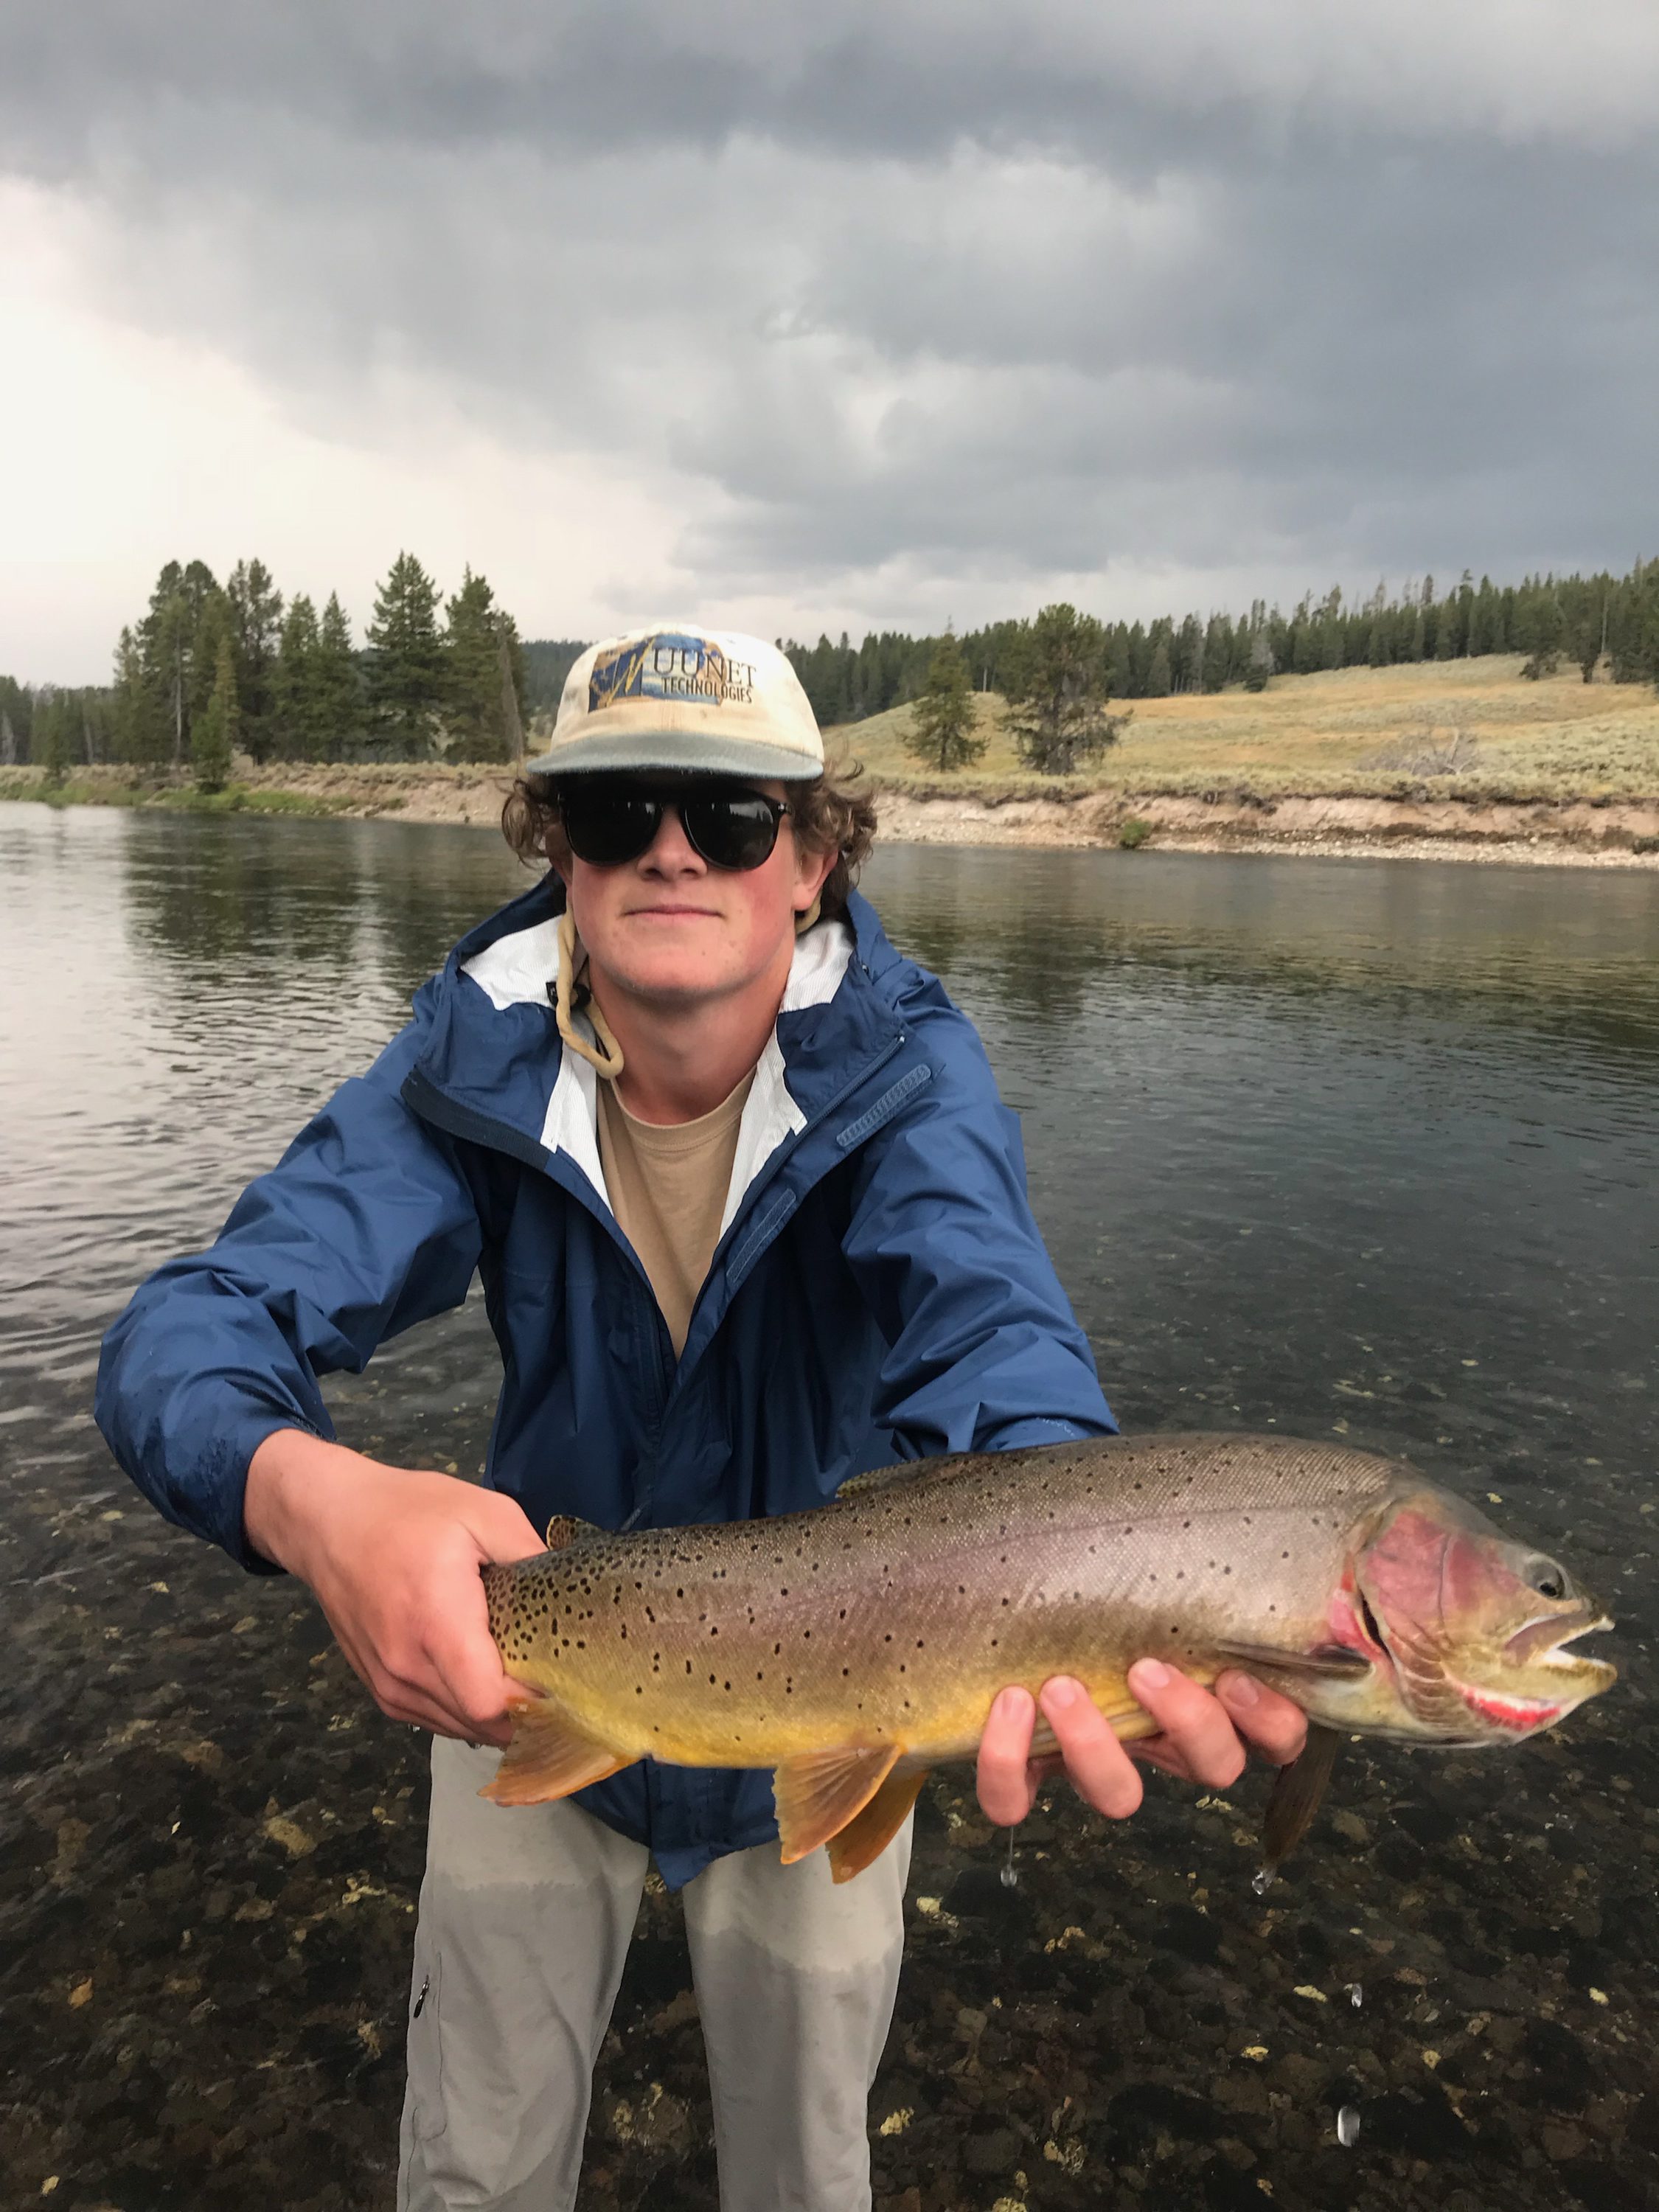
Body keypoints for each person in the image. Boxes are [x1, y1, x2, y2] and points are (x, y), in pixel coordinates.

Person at [96, 625, 1305, 2212]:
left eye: (729, 817)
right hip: (521, 1667)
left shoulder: (910, 1083)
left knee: (807, 2181)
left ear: (809, 860)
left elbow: (996, 1334)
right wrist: (313, 1507)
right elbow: (184, 1335)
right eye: (617, 813)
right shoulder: (469, 1059)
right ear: (564, 857)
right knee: (473, 2170)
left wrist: (1090, 1574)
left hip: (844, 1695)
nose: (671, 850)